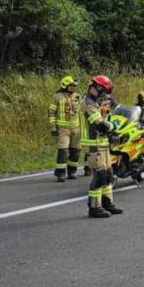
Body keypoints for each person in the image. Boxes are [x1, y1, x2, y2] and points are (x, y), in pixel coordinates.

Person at [82, 75, 122, 218]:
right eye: (103, 91)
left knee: (109, 175)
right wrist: (113, 127)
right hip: (93, 145)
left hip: (103, 144)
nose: (104, 95)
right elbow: (99, 123)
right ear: (96, 88)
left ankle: (107, 204)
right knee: (99, 176)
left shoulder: (97, 103)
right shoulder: (88, 103)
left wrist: (112, 131)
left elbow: (108, 117)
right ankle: (94, 208)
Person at [48, 75, 83, 182]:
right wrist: (53, 127)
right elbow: (51, 113)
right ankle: (60, 173)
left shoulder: (77, 96)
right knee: (63, 150)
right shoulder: (57, 97)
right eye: (71, 86)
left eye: (75, 86)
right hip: (63, 129)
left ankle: (72, 171)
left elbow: (82, 112)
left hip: (76, 128)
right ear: (65, 85)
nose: (73, 88)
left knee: (76, 150)